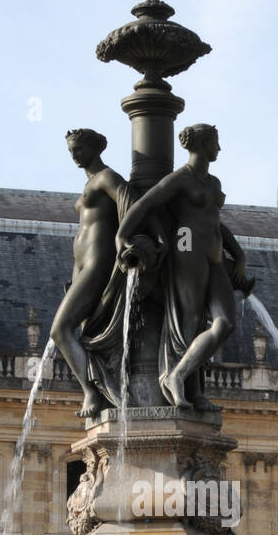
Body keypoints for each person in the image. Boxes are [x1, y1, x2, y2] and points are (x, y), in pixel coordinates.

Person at [115, 123, 251, 410]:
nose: (219, 148)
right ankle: (186, 387)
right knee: (190, 324)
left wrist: (238, 255)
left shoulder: (213, 183)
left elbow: (215, 222)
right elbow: (144, 204)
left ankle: (179, 375)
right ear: (202, 145)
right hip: (188, 251)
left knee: (225, 323)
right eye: (214, 143)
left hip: (215, 257)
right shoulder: (181, 178)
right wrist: (122, 236)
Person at [48, 129, 131, 418]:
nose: (74, 155)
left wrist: (125, 240)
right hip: (83, 266)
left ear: (95, 149)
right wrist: (75, 275)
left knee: (60, 330)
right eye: (71, 150)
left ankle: (92, 392)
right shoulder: (89, 184)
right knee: (80, 335)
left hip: (99, 262)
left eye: (79, 149)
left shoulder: (107, 178)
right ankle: (97, 388)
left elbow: (131, 205)